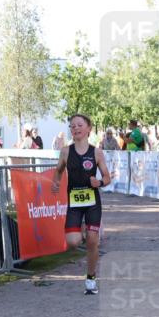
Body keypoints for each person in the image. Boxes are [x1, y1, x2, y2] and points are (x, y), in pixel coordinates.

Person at [51, 114, 111, 295]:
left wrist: (99, 183)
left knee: (92, 241)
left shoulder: (97, 153)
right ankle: (86, 228)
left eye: (79, 125)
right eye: (72, 126)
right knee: (73, 241)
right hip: (75, 203)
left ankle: (91, 278)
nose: (75, 128)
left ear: (88, 129)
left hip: (93, 202)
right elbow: (59, 170)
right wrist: (56, 182)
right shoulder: (66, 151)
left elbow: (107, 178)